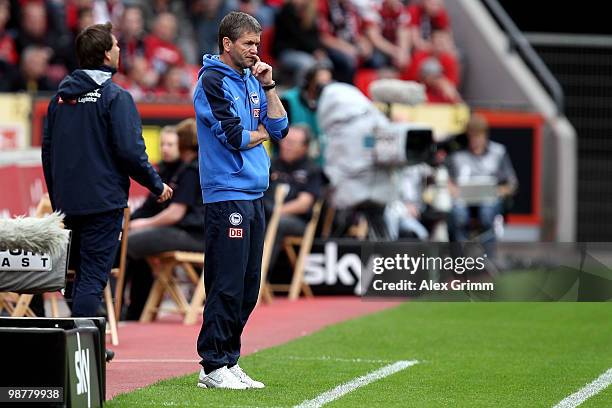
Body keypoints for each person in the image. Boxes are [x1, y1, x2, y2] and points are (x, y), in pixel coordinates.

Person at [41, 22, 173, 318]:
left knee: (75, 277)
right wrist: (156, 184)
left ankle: (84, 342)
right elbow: (130, 152)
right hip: (103, 204)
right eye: (115, 45)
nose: (118, 50)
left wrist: (58, 197)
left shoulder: (58, 100)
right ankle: (84, 351)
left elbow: (47, 154)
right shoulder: (116, 97)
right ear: (105, 54)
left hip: (68, 203)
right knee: (91, 278)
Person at [193, 11, 288, 390]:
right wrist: (259, 131)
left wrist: (268, 87)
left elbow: (280, 127)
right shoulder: (212, 81)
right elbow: (234, 136)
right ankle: (213, 364)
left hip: (253, 193)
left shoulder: (252, 79)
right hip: (226, 193)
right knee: (227, 283)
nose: (255, 51)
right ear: (227, 44)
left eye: (257, 43)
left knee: (248, 286)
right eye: (248, 44)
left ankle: (228, 360)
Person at [124, 118, 205, 321]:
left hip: (193, 235)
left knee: (130, 242)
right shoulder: (180, 169)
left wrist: (141, 224)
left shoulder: (192, 170)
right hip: (186, 231)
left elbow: (176, 213)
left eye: (172, 143)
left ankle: (116, 307)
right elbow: (149, 207)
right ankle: (134, 309)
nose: (166, 148)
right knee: (137, 242)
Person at [447, 113, 518, 252]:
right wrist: (451, 188)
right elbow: (447, 181)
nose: (475, 140)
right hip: (463, 201)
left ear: (485, 135)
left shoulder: (498, 152)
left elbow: (512, 184)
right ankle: (461, 258)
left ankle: (487, 258)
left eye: (478, 136)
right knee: (457, 214)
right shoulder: (457, 156)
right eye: (472, 136)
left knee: (487, 212)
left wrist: (498, 191)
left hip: (490, 201)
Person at [264, 125, 322, 273]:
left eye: (293, 143)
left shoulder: (312, 170)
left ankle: (259, 274)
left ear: (304, 147)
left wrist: (275, 212)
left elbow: (303, 204)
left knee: (277, 222)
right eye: (285, 141)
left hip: (296, 221)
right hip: (266, 213)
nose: (286, 146)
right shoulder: (270, 164)